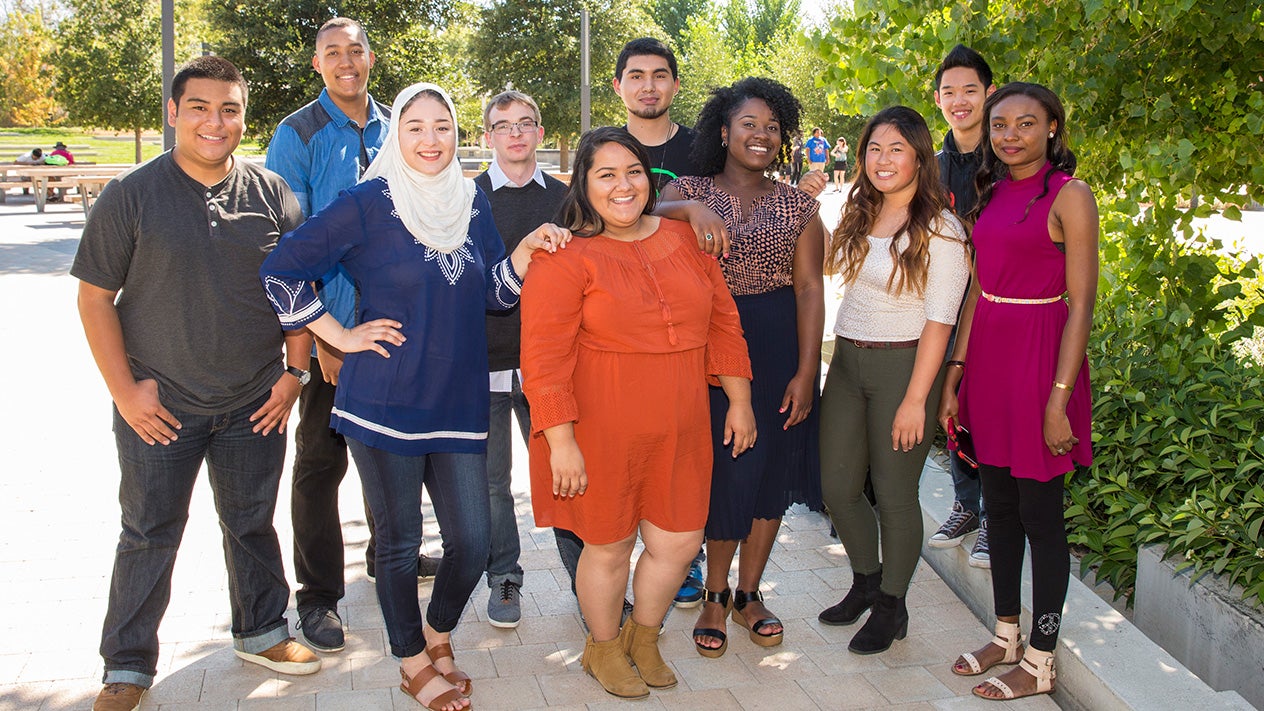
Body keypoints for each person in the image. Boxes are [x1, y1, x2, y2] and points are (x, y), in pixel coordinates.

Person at [260, 82, 568, 711]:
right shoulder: (369, 201)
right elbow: (281, 266)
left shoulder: (471, 203)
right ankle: (410, 662)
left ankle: (436, 632)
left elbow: (492, 293)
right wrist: (340, 333)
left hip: (458, 397)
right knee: (398, 545)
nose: (431, 140)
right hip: (385, 401)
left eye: (443, 127)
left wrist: (528, 254)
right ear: (396, 134)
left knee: (473, 545)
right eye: (416, 127)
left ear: (458, 135)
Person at [72, 56, 320, 711]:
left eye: (230, 108)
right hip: (162, 406)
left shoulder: (273, 194)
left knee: (251, 524)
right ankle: (126, 666)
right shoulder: (131, 195)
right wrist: (126, 391)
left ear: (244, 116)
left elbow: (298, 295)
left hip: (254, 403)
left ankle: (264, 631)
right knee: (149, 532)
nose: (216, 121)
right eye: (202, 107)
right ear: (174, 112)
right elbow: (95, 298)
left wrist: (295, 375)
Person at [520, 127, 755, 699]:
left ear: (650, 179)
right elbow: (544, 360)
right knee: (609, 546)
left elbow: (723, 321)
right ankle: (601, 647)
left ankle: (642, 638)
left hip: (682, 423)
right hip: (600, 427)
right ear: (584, 184)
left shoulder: (683, 238)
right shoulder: (563, 256)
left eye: (632, 171)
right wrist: (562, 441)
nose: (622, 186)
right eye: (605, 174)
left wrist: (741, 400)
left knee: (678, 541)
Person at [265, 16, 438, 654]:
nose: (346, 61)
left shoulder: (402, 124)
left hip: (395, 331)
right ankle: (317, 597)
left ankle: (391, 554)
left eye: (355, 49)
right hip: (329, 333)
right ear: (317, 63)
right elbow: (293, 246)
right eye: (332, 52)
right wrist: (329, 339)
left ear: (370, 56)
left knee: (398, 453)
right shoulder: (297, 134)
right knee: (319, 463)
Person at [940, 82, 1097, 701]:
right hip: (991, 362)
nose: (1009, 135)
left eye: (1025, 124)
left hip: (1041, 361)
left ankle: (1040, 659)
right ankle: (1005, 636)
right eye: (999, 124)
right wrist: (956, 376)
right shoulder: (992, 192)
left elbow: (1082, 304)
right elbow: (978, 291)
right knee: (998, 507)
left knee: (1041, 518)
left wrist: (1059, 399)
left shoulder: (1070, 197)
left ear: (1053, 128)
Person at [658, 77, 824, 657]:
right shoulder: (689, 188)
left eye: (772, 127)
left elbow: (808, 290)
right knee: (726, 471)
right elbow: (646, 210)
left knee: (769, 473)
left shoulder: (799, 205)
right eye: (748, 124)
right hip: (710, 346)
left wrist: (807, 372)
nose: (761, 135)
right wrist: (690, 205)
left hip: (779, 344)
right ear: (724, 131)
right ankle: (713, 592)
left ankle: (749, 593)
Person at [816, 106, 970, 655]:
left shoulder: (941, 229)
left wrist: (915, 400)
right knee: (836, 485)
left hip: (904, 366)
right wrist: (809, 202)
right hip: (848, 362)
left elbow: (940, 321)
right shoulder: (861, 213)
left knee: (897, 496)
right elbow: (827, 266)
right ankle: (865, 581)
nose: (883, 160)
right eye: (874, 149)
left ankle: (892, 606)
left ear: (919, 157)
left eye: (896, 149)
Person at [474, 89, 569, 629]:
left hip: (546, 368)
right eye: (504, 125)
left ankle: (587, 578)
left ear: (538, 132)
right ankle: (504, 577)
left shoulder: (564, 198)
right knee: (491, 483)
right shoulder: (463, 200)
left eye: (526, 123)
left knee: (565, 472)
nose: (515, 133)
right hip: (482, 363)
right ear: (488, 136)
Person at [925, 45, 999, 567]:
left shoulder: (1011, 153)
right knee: (953, 408)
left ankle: (998, 517)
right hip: (950, 305)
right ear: (937, 100)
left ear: (989, 94)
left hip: (1001, 305)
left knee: (996, 409)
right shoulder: (931, 166)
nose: (960, 100)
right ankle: (965, 504)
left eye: (970, 90)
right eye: (949, 92)